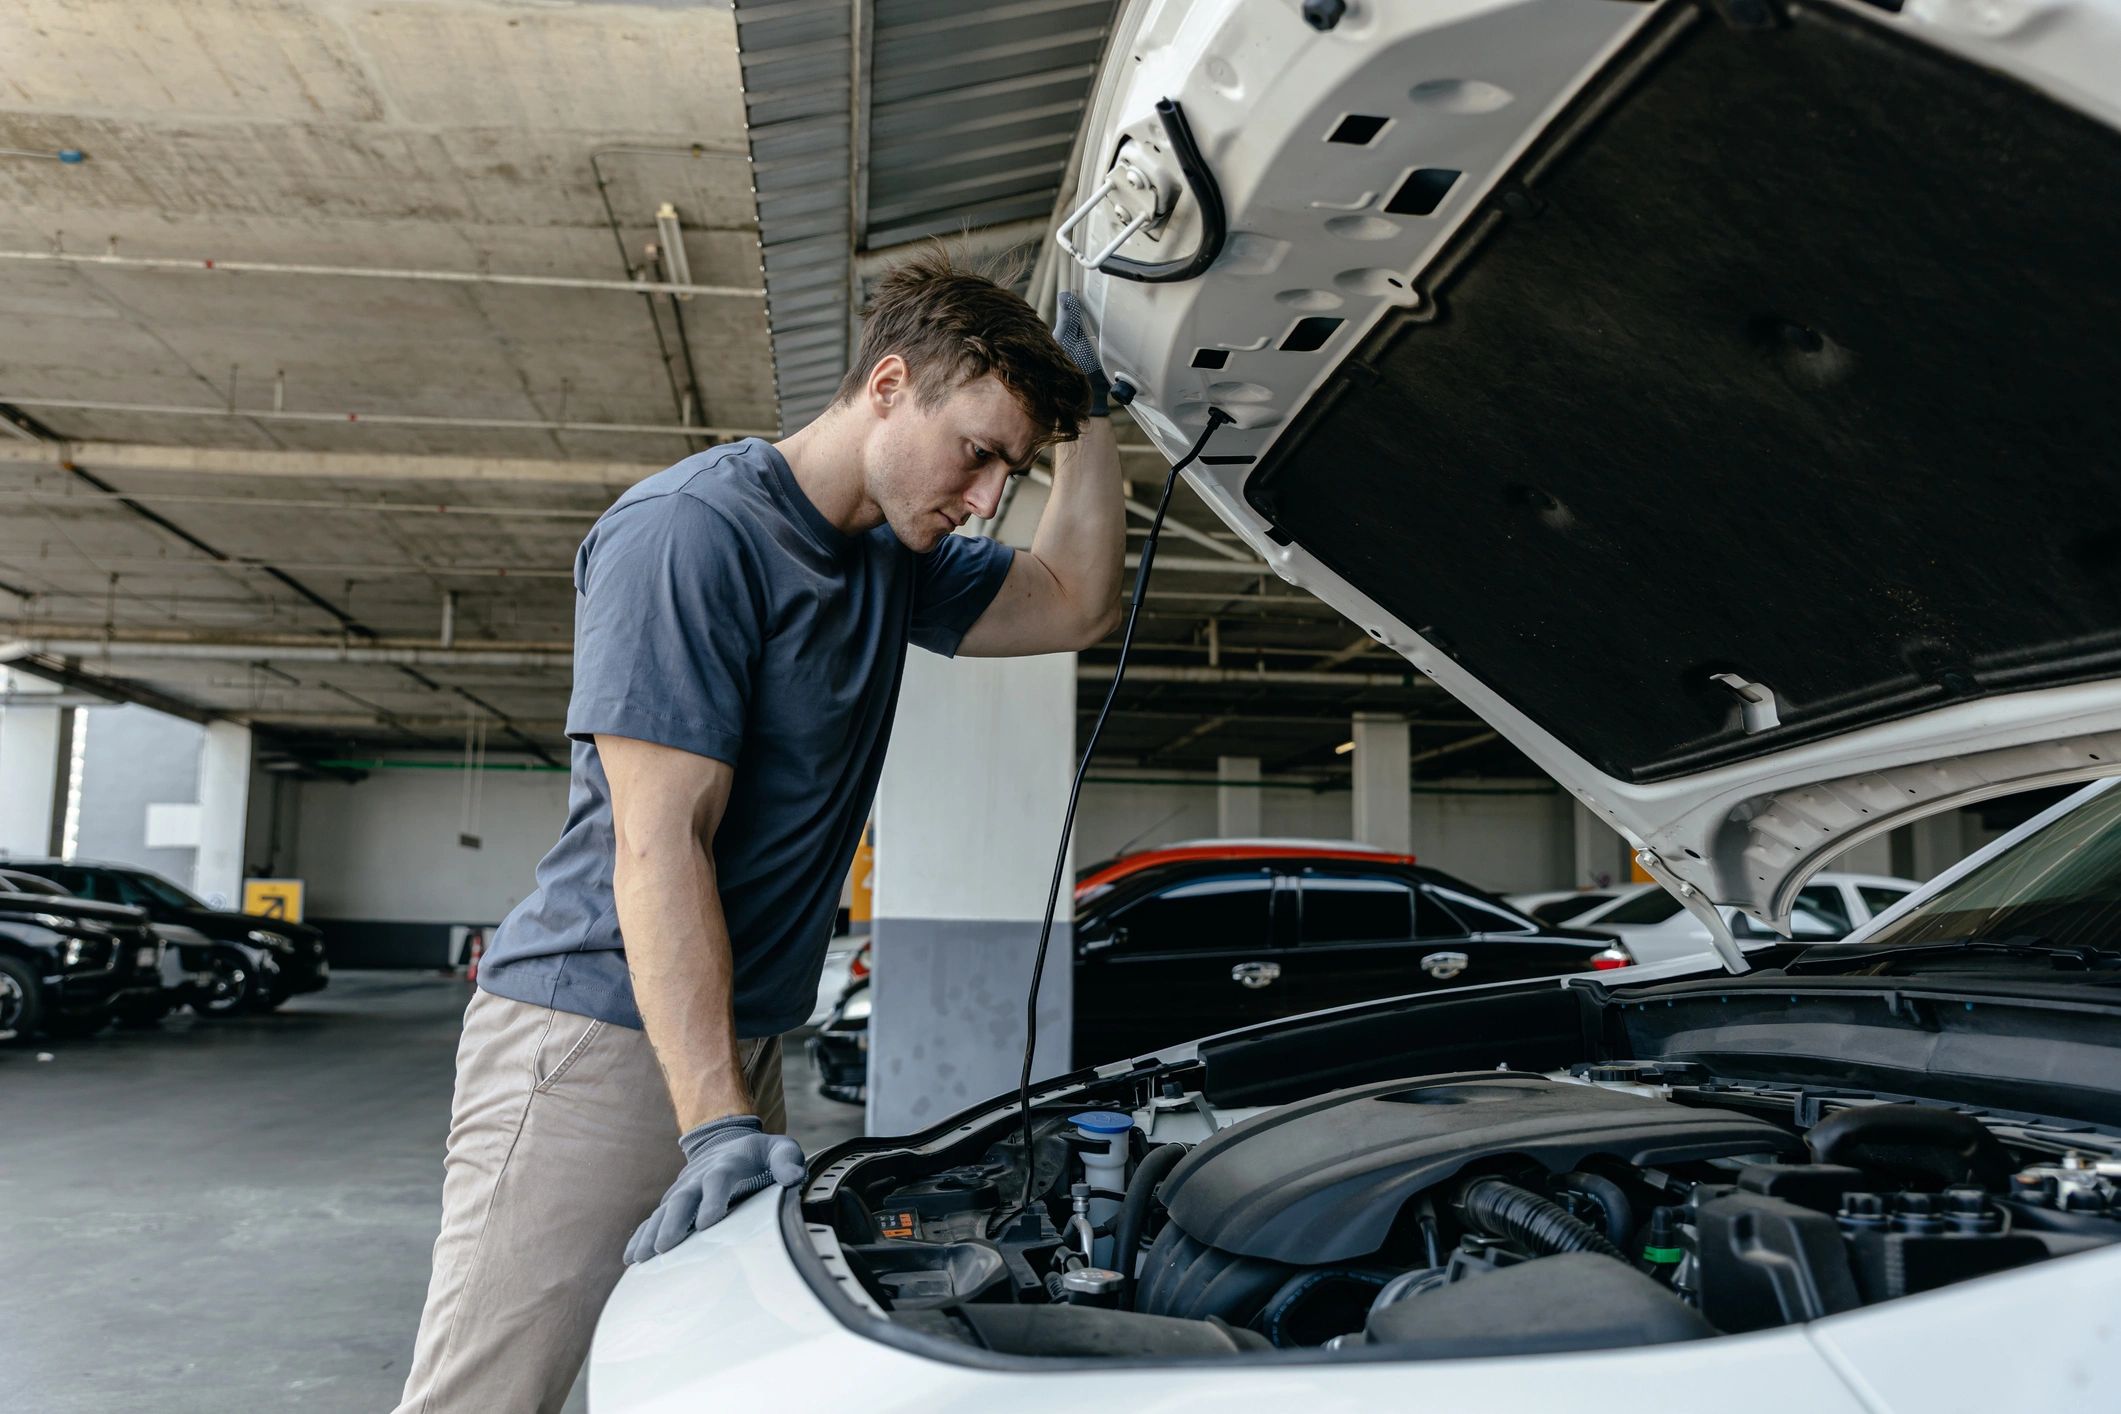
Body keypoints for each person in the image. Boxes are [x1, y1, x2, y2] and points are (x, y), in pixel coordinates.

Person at [391, 251, 1121, 1414]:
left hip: (727, 1034)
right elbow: (659, 843)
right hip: (592, 1032)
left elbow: (1073, 601)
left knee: (694, 1376)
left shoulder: (893, 553)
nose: (988, 496)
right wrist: (716, 1121)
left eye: (1012, 469)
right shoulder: (692, 532)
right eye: (979, 452)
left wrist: (1090, 422)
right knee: (485, 1399)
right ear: (889, 385)